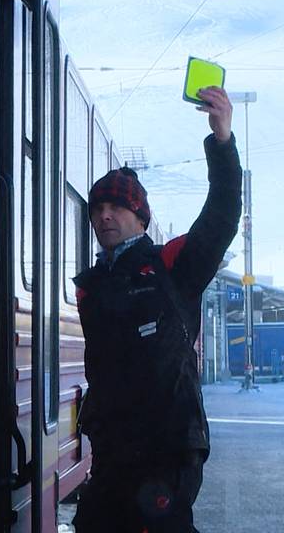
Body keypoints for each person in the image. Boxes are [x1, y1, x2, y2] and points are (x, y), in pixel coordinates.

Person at [72, 86, 242, 533]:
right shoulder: (91, 287)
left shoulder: (170, 267)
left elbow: (221, 219)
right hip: (113, 453)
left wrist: (221, 142)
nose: (104, 216)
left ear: (141, 218)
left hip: (166, 453)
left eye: (117, 207)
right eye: (97, 208)